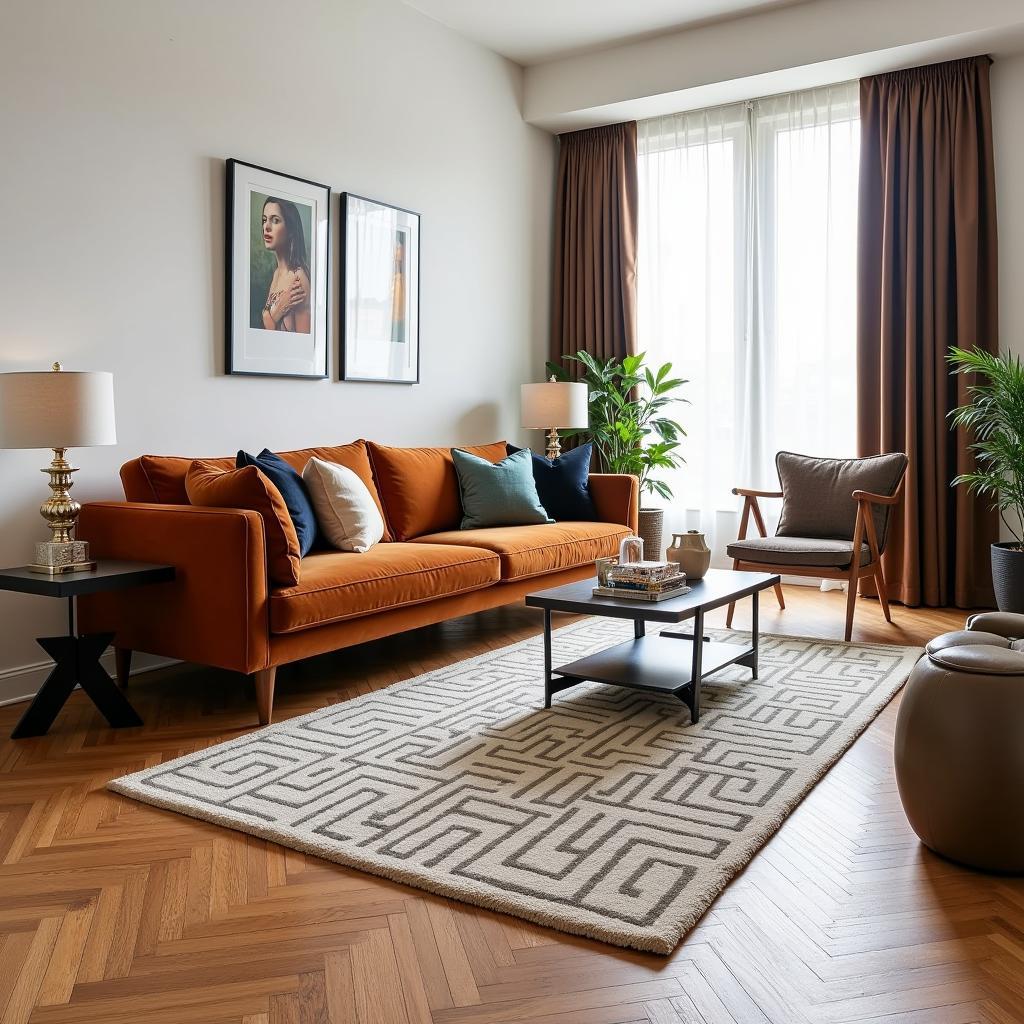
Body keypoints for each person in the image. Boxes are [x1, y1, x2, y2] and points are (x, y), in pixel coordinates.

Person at [259, 197, 311, 333]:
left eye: (275, 220)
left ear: (291, 230)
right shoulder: (277, 273)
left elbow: (303, 342)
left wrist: (268, 316)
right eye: (264, 220)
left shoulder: (298, 279)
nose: (266, 227)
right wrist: (275, 313)